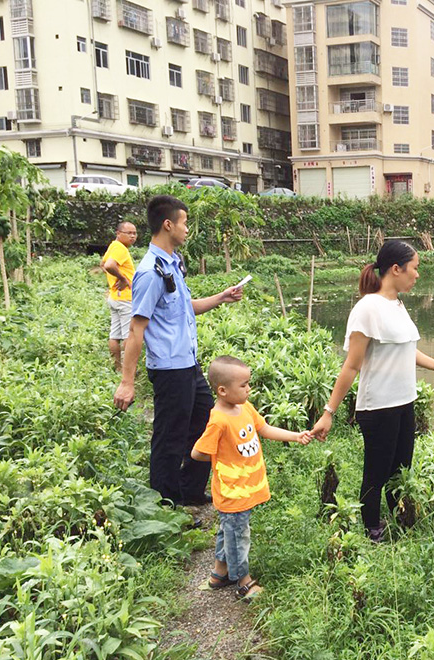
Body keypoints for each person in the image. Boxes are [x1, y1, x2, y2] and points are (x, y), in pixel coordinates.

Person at [311, 241, 434, 542]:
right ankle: (372, 530)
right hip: (378, 406)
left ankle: (400, 520)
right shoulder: (367, 309)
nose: (417, 275)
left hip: (405, 402)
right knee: (377, 472)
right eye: (414, 268)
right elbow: (351, 366)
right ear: (396, 269)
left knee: (401, 468)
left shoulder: (397, 305)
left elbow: (405, 349)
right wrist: (328, 412)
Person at [114, 194, 244, 506]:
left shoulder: (172, 264)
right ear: (168, 225)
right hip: (169, 370)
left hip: (188, 364)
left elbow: (186, 307)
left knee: (205, 420)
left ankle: (188, 490)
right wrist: (127, 382)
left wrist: (221, 297)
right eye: (184, 223)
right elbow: (136, 329)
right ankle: (166, 504)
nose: (187, 229)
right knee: (169, 437)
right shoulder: (150, 272)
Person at [191, 355, 313, 600]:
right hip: (233, 491)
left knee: (229, 531)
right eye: (244, 385)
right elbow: (198, 452)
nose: (249, 389)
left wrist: (295, 436)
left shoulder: (244, 407)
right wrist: (221, 457)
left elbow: (264, 429)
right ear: (223, 391)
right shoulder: (219, 421)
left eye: (248, 383)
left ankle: (220, 573)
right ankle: (243, 582)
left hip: (245, 488)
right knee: (238, 536)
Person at [101, 221, 138, 371]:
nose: (132, 236)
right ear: (118, 233)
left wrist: (114, 279)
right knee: (129, 336)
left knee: (114, 335)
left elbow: (103, 264)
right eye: (129, 233)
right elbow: (108, 265)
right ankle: (128, 370)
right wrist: (122, 279)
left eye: (134, 233)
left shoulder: (113, 246)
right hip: (125, 299)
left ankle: (117, 367)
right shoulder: (120, 248)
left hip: (115, 297)